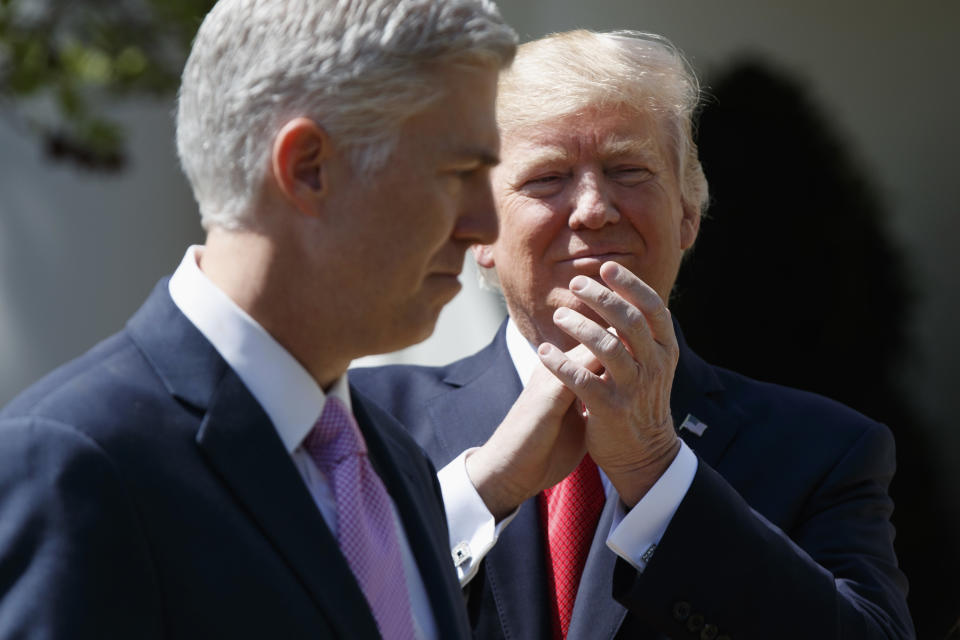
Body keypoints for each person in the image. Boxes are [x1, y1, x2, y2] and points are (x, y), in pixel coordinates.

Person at [352, 30, 915, 639]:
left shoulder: (823, 450)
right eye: (546, 178)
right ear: (480, 231)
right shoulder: (366, 423)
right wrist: (485, 487)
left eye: (628, 170)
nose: (594, 208)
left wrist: (659, 474)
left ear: (687, 216)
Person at [0, 0, 515, 638]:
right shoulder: (77, 465)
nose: (484, 227)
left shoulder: (395, 465)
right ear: (307, 168)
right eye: (459, 172)